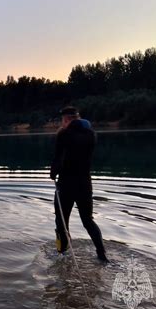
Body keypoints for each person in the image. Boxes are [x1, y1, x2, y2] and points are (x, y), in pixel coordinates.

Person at [50, 106, 108, 262]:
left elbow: (58, 159)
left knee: (61, 221)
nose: (61, 124)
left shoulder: (64, 135)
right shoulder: (91, 135)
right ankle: (102, 255)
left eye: (62, 120)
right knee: (88, 220)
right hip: (84, 184)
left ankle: (62, 254)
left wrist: (52, 174)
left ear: (67, 119)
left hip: (66, 185)